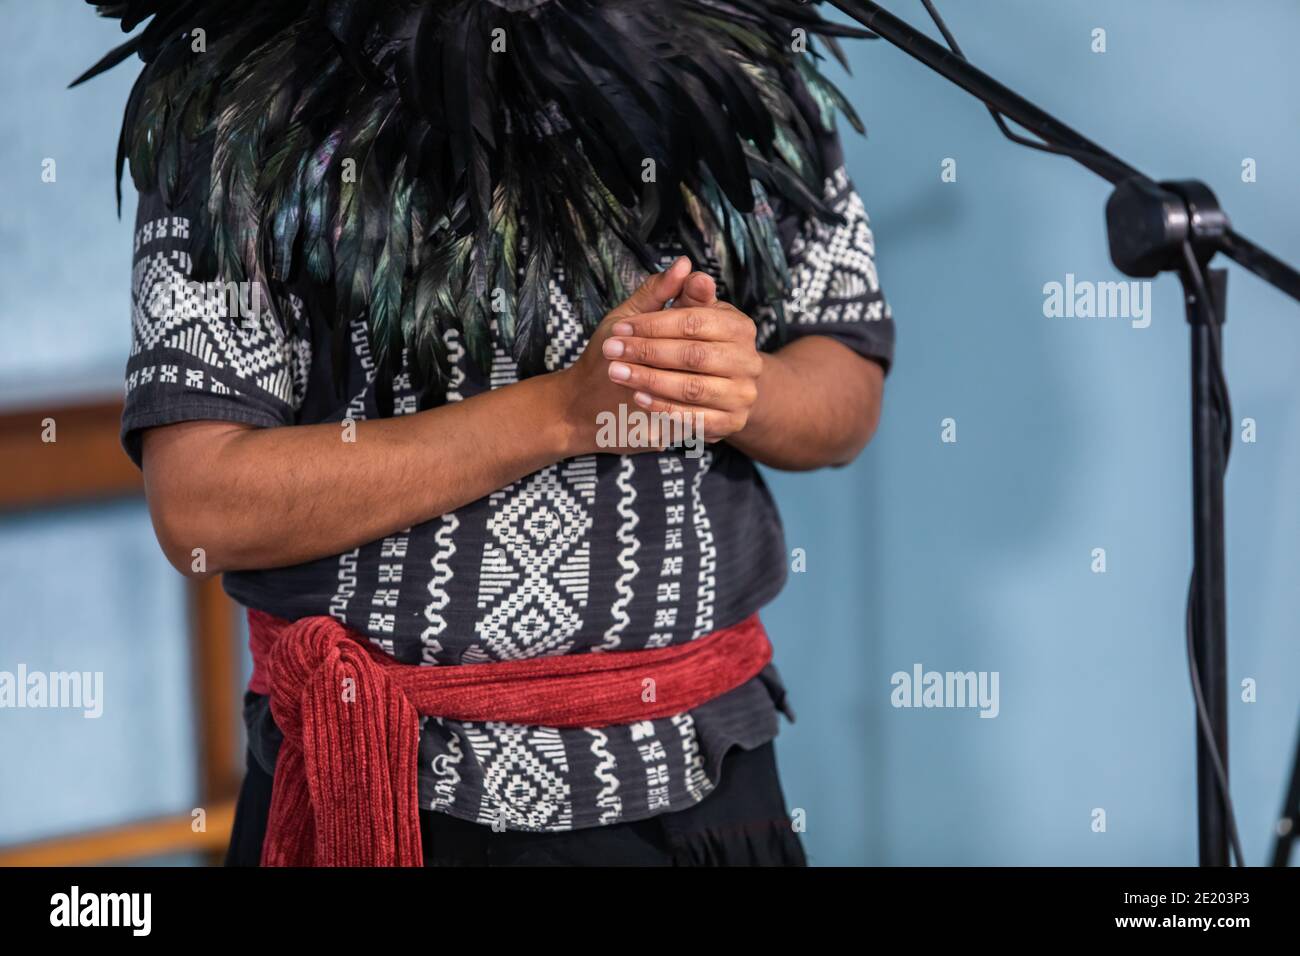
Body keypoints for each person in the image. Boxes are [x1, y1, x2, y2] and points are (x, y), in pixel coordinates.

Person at [81, 0, 894, 866]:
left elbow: (846, 383)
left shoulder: (746, 56)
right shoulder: (237, 90)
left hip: (711, 777)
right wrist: (558, 415)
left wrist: (749, 389)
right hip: (400, 796)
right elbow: (203, 505)